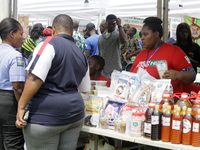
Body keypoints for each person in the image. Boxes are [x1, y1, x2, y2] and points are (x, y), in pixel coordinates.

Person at [15, 14, 90, 150]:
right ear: (72, 32)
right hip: (74, 116)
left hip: (45, 117)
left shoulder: (48, 44)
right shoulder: (81, 53)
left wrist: (21, 107)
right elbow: (85, 88)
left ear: (53, 29)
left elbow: (35, 78)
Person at [130, 17, 195, 94]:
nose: (142, 38)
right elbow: (131, 77)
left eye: (145, 34)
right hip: (141, 100)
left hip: (167, 102)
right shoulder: (141, 54)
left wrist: (177, 75)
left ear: (156, 34)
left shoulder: (174, 51)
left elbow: (191, 75)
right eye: (141, 35)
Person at [0, 17, 25, 150]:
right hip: (9, 102)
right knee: (13, 142)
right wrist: (22, 109)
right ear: (11, 34)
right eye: (20, 34)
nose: (23, 38)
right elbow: (18, 88)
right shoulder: (15, 56)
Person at [98, 14, 127, 79]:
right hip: (103, 70)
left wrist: (119, 26)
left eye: (113, 24)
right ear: (106, 24)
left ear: (116, 24)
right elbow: (100, 52)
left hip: (114, 71)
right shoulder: (101, 37)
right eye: (109, 24)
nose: (111, 26)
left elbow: (124, 41)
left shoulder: (118, 35)